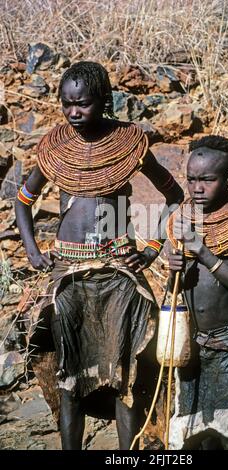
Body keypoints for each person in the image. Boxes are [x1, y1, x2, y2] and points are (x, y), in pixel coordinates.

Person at [15, 61, 184, 450]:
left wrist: (153, 248)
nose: (74, 112)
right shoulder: (55, 150)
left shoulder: (129, 144)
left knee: (124, 371)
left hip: (119, 272)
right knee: (68, 371)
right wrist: (31, 249)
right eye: (67, 104)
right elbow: (23, 201)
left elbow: (174, 196)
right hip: (68, 273)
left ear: (105, 101)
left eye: (83, 104)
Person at [166, 135, 228, 450]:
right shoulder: (184, 220)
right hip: (193, 343)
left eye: (207, 180)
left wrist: (203, 252)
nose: (197, 187)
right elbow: (174, 291)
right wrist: (173, 268)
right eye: (191, 179)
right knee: (198, 430)